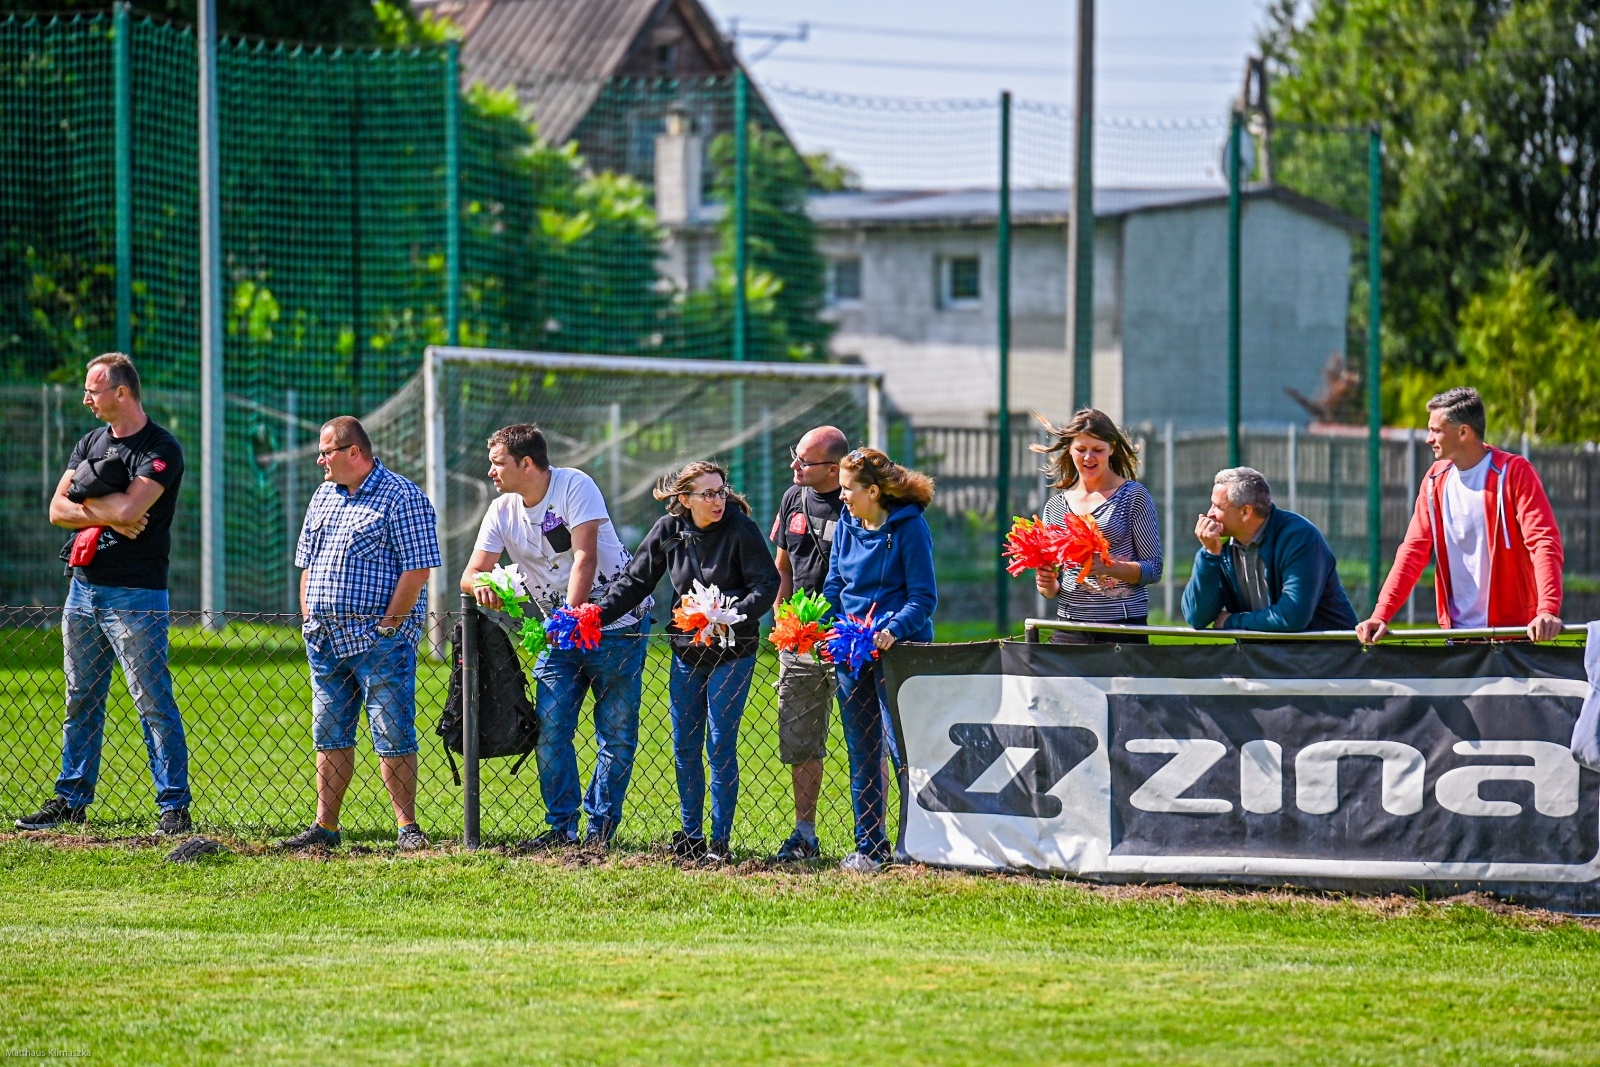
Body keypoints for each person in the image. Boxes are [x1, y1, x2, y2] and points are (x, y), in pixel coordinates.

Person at [16, 353, 192, 835]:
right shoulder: (90, 441)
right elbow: (56, 509)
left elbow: (136, 505)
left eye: (94, 390)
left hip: (135, 592)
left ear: (122, 393)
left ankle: (174, 806)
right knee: (80, 697)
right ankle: (71, 800)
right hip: (84, 589)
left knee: (152, 698)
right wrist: (110, 514)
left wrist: (91, 501)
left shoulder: (162, 448)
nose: (86, 398)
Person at [460, 423, 650, 850]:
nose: (490, 472)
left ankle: (599, 831)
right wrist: (483, 585)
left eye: (497, 463)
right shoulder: (501, 509)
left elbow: (584, 556)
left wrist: (570, 618)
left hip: (615, 628)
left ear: (526, 463)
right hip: (558, 638)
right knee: (549, 730)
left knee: (616, 734)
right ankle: (562, 828)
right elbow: (469, 574)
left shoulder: (574, 485)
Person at [596, 461, 780, 863]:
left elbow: (767, 584)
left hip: (734, 650)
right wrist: (594, 616)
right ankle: (692, 836)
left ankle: (719, 843)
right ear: (685, 499)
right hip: (686, 650)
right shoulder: (669, 530)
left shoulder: (740, 529)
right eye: (708, 494)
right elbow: (635, 582)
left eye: (721, 491)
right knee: (683, 745)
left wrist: (731, 615)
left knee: (719, 744)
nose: (719, 500)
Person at [280, 416, 441, 853]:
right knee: (328, 733)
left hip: (379, 643)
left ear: (354, 452)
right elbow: (307, 562)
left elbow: (417, 569)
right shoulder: (324, 495)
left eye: (326, 451)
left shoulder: (402, 497)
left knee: (392, 733)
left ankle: (407, 828)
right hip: (325, 640)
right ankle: (325, 827)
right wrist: (308, 616)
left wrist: (389, 627)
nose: (319, 460)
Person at [1359, 388, 1564, 643]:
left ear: (1463, 432)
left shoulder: (1514, 473)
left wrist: (1547, 610)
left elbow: (1543, 543)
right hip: (1458, 638)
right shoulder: (1435, 480)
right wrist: (1381, 614)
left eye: (1436, 430)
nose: (1428, 438)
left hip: (1515, 639)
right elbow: (1412, 552)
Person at [823, 447, 938, 873]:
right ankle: (870, 847)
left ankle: (920, 846)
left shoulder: (910, 529)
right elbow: (835, 586)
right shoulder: (847, 527)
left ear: (873, 490)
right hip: (851, 654)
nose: (842, 498)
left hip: (900, 655)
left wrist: (892, 630)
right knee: (862, 751)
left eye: (849, 490)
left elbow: (924, 598)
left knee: (903, 751)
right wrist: (824, 626)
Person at [767, 425, 850, 862]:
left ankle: (870, 837)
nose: (794, 466)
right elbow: (782, 566)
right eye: (794, 455)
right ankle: (805, 834)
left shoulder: (862, 500)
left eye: (805, 461)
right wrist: (781, 616)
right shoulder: (792, 498)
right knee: (801, 740)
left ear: (835, 470)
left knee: (866, 738)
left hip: (852, 640)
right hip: (799, 639)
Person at [1032, 409, 1162, 643]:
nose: (1088, 457)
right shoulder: (1055, 507)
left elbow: (1153, 569)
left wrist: (1109, 566)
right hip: (1070, 627)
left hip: (1123, 628)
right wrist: (1048, 584)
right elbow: (1052, 587)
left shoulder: (1134, 496)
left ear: (1112, 448)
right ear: (1069, 450)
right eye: (1081, 449)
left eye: (1097, 450)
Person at [1182, 466, 1357, 633]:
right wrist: (1209, 553)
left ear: (1245, 512)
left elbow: (1292, 616)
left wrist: (1231, 622)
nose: (1209, 513)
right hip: (1262, 659)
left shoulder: (1299, 537)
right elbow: (1196, 616)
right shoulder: (1220, 544)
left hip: (1328, 657)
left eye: (1218, 507)